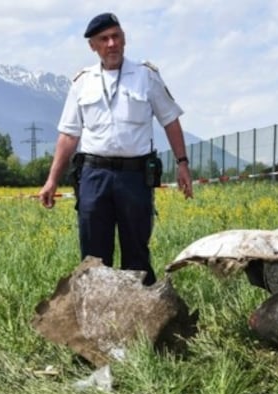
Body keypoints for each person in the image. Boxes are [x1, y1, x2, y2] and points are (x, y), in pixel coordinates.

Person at [39, 12, 193, 285]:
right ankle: (97, 319)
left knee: (136, 252)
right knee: (93, 255)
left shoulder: (146, 76)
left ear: (124, 39)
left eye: (116, 36)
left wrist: (182, 163)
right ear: (93, 46)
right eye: (104, 39)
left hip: (134, 177)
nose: (112, 44)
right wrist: (52, 180)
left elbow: (170, 119)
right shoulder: (82, 82)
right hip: (93, 176)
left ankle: (141, 320)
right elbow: (69, 135)